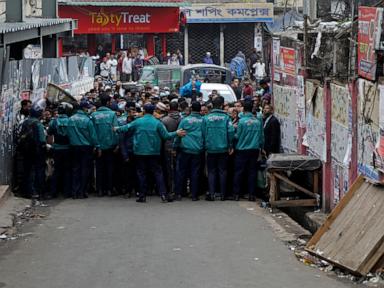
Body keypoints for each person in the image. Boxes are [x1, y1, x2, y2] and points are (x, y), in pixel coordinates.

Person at [115, 103, 186, 203]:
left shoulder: (138, 121)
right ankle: (163, 195)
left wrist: (116, 129)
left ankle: (142, 196)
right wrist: (176, 133)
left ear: (144, 110)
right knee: (157, 173)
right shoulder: (157, 122)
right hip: (154, 151)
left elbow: (126, 127)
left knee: (141, 173)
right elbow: (166, 136)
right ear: (154, 111)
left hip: (139, 151)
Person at [202, 96, 235, 201]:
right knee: (223, 171)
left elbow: (202, 133)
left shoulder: (206, 118)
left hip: (210, 148)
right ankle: (223, 195)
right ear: (222, 105)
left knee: (211, 171)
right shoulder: (226, 118)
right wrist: (230, 145)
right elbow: (230, 131)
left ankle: (211, 194)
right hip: (223, 148)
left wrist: (205, 145)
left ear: (212, 105)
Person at [67, 99, 99, 199]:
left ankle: (74, 192)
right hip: (86, 148)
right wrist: (97, 146)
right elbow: (93, 136)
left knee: (75, 169)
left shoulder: (71, 119)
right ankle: (82, 192)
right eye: (87, 108)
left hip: (74, 147)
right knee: (85, 170)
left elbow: (68, 134)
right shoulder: (87, 120)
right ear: (84, 108)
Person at [232, 100, 264, 201]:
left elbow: (237, 136)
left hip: (242, 150)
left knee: (239, 172)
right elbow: (261, 138)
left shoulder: (241, 122)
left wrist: (233, 131)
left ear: (244, 109)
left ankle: (237, 194)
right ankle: (251, 195)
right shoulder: (258, 122)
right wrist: (261, 148)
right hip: (254, 150)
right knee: (252, 172)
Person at [174, 101, 204, 201]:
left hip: (185, 149)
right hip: (197, 150)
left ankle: (178, 193)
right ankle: (194, 194)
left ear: (191, 109)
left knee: (181, 172)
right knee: (195, 172)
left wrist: (175, 147)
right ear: (200, 110)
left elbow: (178, 134)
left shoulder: (185, 120)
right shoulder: (203, 121)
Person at [92, 95, 119, 197]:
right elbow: (116, 130)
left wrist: (96, 145)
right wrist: (117, 144)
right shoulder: (112, 114)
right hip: (111, 146)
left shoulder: (94, 115)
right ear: (108, 102)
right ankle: (109, 189)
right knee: (110, 169)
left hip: (99, 147)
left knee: (99, 169)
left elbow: (93, 133)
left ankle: (100, 190)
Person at [19, 105, 46, 204]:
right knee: (38, 170)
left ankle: (27, 191)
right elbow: (42, 140)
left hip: (26, 151)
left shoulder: (25, 122)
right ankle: (38, 191)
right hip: (37, 151)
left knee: (27, 170)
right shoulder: (38, 124)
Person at [47, 102, 72, 199]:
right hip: (68, 148)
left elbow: (49, 135)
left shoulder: (54, 121)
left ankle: (53, 192)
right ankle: (67, 192)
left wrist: (51, 146)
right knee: (67, 170)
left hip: (57, 149)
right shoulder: (70, 121)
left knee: (56, 170)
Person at [161, 101, 181, 194]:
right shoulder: (183, 119)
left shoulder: (164, 120)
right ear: (178, 108)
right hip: (181, 146)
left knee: (169, 169)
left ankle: (170, 189)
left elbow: (163, 135)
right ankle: (179, 189)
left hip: (168, 146)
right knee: (179, 168)